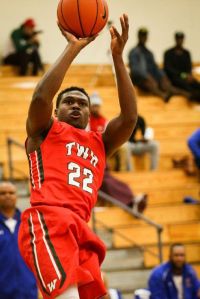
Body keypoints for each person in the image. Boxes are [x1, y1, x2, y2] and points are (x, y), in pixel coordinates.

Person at [18, 14, 137, 299]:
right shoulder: (44, 130)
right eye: (68, 101)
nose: (76, 106)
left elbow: (130, 117)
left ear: (88, 112)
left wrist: (117, 57)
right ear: (57, 110)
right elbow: (39, 99)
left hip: (81, 228)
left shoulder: (101, 142)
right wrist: (73, 48)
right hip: (49, 221)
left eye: (81, 103)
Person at [0, 181, 38, 299]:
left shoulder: (29, 223)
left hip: (29, 292)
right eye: (3, 193)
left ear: (17, 196)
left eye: (11, 193)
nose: (7, 196)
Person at [128, 28, 187, 102]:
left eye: (144, 36)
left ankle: (182, 93)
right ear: (139, 36)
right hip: (140, 79)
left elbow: (155, 67)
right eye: (142, 36)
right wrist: (146, 76)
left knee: (165, 82)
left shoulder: (149, 53)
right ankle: (163, 95)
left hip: (152, 77)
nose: (143, 38)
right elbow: (135, 69)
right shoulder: (134, 52)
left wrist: (163, 76)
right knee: (150, 82)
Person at [164, 32, 200, 102]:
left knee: (196, 85)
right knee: (187, 87)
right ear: (175, 39)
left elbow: (189, 68)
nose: (179, 40)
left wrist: (189, 75)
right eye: (178, 39)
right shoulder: (169, 53)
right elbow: (168, 69)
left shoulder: (186, 53)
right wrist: (183, 75)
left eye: (181, 39)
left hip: (186, 77)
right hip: (174, 78)